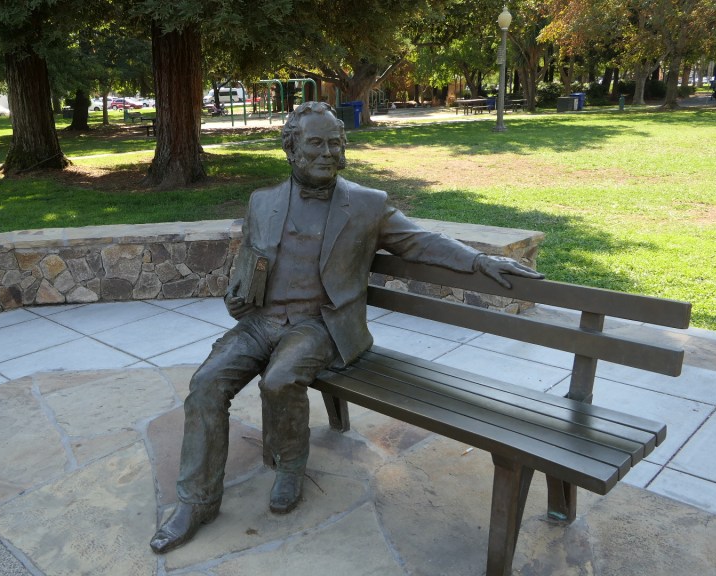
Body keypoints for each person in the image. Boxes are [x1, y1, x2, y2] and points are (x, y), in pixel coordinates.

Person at [149, 101, 543, 554]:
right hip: (261, 322)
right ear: (291, 148)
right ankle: (196, 502)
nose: (327, 152)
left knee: (280, 379)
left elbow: (421, 242)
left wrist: (478, 260)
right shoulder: (263, 201)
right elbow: (249, 264)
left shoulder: (368, 204)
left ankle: (291, 465)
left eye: (335, 143)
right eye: (315, 143)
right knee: (205, 384)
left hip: (321, 324)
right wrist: (237, 296)